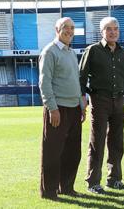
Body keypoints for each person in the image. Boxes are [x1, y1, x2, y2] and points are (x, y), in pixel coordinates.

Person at [79, 16, 124, 194]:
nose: (112, 32)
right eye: (108, 29)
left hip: (119, 101)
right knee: (97, 143)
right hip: (100, 100)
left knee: (117, 142)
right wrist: (83, 98)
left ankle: (115, 179)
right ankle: (93, 182)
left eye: (115, 29)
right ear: (102, 32)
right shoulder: (93, 50)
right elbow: (81, 76)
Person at [38, 17, 87, 199]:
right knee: (52, 152)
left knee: (72, 152)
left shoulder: (71, 52)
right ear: (57, 29)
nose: (69, 31)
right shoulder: (50, 51)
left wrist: (81, 105)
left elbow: (75, 82)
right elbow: (44, 83)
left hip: (74, 108)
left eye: (72, 28)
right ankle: (49, 191)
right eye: (65, 27)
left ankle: (66, 187)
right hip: (58, 109)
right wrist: (52, 108)